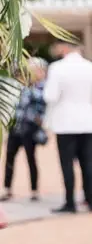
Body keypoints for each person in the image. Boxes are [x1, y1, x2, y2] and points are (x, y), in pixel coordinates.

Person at [43, 42, 92, 213]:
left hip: (65, 122)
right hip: (88, 120)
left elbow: (50, 95)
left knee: (67, 165)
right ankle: (91, 200)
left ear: (65, 48)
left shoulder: (57, 68)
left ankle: (70, 202)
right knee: (88, 163)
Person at [2, 58, 48, 202]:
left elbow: (43, 101)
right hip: (16, 126)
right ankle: (7, 189)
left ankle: (34, 190)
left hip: (31, 128)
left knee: (31, 158)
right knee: (9, 157)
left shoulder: (43, 87)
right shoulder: (19, 85)